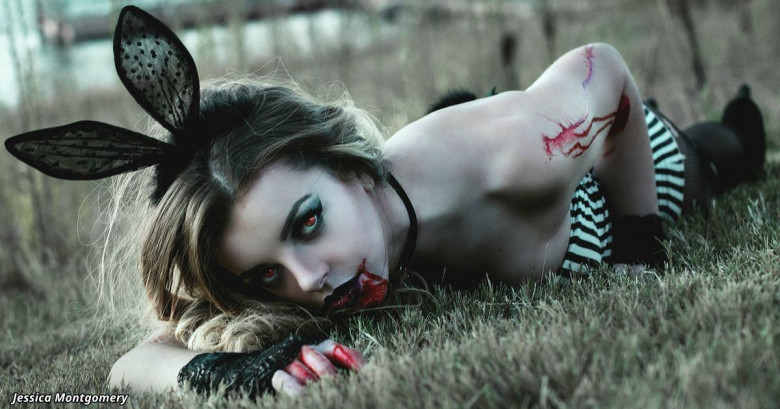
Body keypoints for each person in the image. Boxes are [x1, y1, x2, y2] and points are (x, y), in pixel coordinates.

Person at [4, 6, 766, 398]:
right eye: (268, 273)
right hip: (451, 169)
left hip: (620, 167)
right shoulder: (315, 268)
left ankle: (736, 127)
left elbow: (606, 68)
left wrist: (638, 247)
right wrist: (232, 373)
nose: (308, 280)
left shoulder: (523, 149)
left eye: (308, 222)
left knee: (719, 158)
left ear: (348, 164)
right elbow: (132, 364)